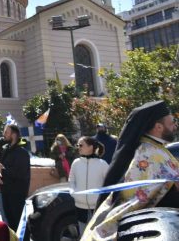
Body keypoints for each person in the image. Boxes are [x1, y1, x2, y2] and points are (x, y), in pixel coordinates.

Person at [82, 101, 179, 240]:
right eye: (171, 123)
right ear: (158, 127)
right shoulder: (149, 154)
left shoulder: (154, 148)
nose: (175, 126)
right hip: (155, 228)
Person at [69, 136, 109, 235]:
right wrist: (73, 193)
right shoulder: (75, 163)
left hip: (97, 208)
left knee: (97, 235)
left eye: (81, 145)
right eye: (77, 145)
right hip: (80, 207)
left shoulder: (102, 164)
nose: (78, 147)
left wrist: (102, 198)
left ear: (91, 147)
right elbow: (71, 180)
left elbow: (109, 183)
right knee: (83, 235)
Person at [0, 124, 30, 231]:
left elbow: (21, 174)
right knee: (9, 224)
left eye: (6, 132)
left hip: (17, 195)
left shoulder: (22, 153)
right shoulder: (5, 149)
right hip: (5, 192)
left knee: (18, 224)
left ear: (14, 135)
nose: (3, 134)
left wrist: (3, 170)